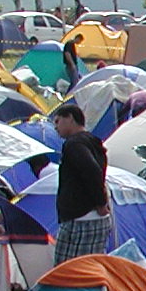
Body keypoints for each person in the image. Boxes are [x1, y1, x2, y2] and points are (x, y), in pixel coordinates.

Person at [50, 104, 112, 263]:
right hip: (94, 218)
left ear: (70, 118)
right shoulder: (94, 141)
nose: (55, 127)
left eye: (57, 121)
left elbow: (91, 170)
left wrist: (100, 202)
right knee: (91, 268)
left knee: (66, 271)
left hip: (80, 219)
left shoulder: (74, 144)